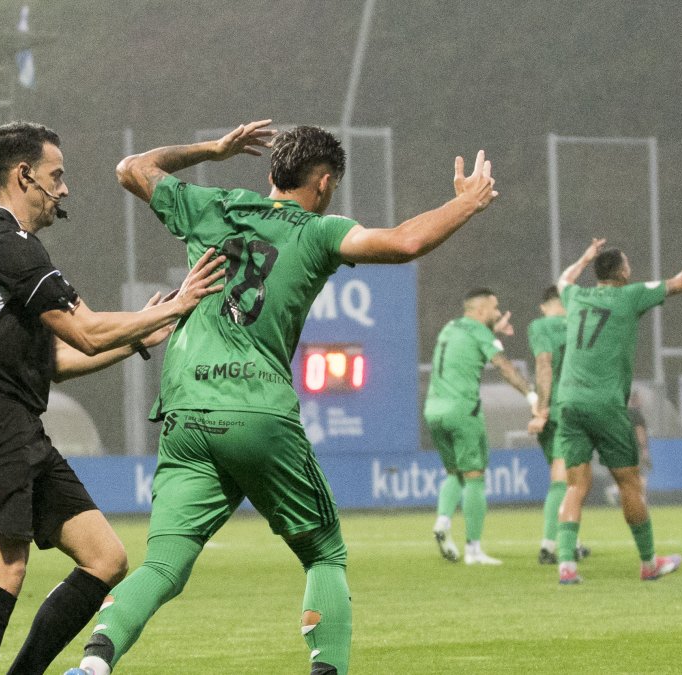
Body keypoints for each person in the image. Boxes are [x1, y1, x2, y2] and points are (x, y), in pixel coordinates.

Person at [66, 120, 499, 675]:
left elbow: (132, 169)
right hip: (255, 409)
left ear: (271, 173)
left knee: (165, 563)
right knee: (324, 553)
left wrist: (212, 150)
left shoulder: (215, 206)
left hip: (186, 412)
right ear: (322, 185)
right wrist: (465, 204)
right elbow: (405, 242)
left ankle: (95, 663)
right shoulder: (318, 230)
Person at [0, 121, 227, 675]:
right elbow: (88, 331)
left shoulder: (14, 251)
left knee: (106, 558)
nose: (65, 189)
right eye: (57, 176)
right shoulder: (9, 246)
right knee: (5, 568)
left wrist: (143, 333)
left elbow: (64, 361)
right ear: (25, 176)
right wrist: (169, 306)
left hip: (15, 419)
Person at [553, 238, 682, 584]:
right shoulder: (630, 295)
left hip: (570, 401)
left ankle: (566, 566)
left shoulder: (576, 297)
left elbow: (564, 280)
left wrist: (583, 257)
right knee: (629, 482)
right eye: (628, 264)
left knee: (575, 486)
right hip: (605, 404)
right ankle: (649, 563)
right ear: (621, 272)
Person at [425, 288, 536, 566]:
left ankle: (443, 520)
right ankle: (474, 550)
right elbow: (505, 367)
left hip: (433, 410)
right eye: (495, 308)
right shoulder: (480, 332)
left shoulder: (451, 327)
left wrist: (492, 332)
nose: (498, 313)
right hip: (462, 410)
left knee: (454, 472)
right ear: (481, 310)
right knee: (475, 476)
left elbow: (471, 343)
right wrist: (532, 396)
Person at [526, 285, 589, 564]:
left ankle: (561, 541)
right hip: (576, 406)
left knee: (561, 479)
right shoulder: (581, 324)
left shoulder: (540, 326)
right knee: (572, 478)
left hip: (554, 408)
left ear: (544, 305)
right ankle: (554, 544)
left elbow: (544, 363)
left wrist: (541, 408)